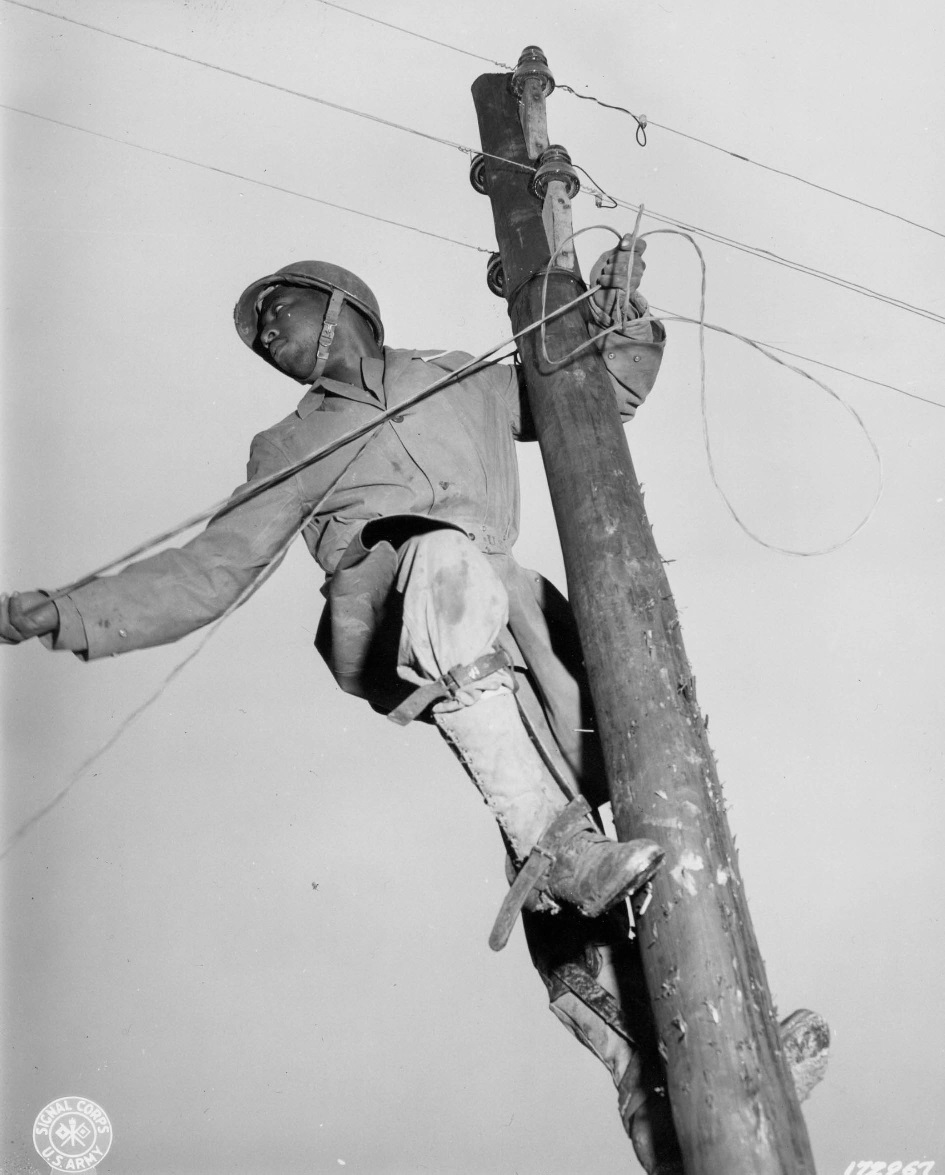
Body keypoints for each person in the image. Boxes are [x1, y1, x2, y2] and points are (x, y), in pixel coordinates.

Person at [2, 238, 819, 1173]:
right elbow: (211, 567)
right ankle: (557, 852)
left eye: (281, 309)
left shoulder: (454, 376)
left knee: (633, 781)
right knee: (449, 577)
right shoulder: (291, 443)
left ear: (344, 303)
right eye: (258, 331)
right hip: (399, 602)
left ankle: (681, 1059)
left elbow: (599, 396)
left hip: (516, 622)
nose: (266, 333)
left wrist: (617, 316)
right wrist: (66, 612)